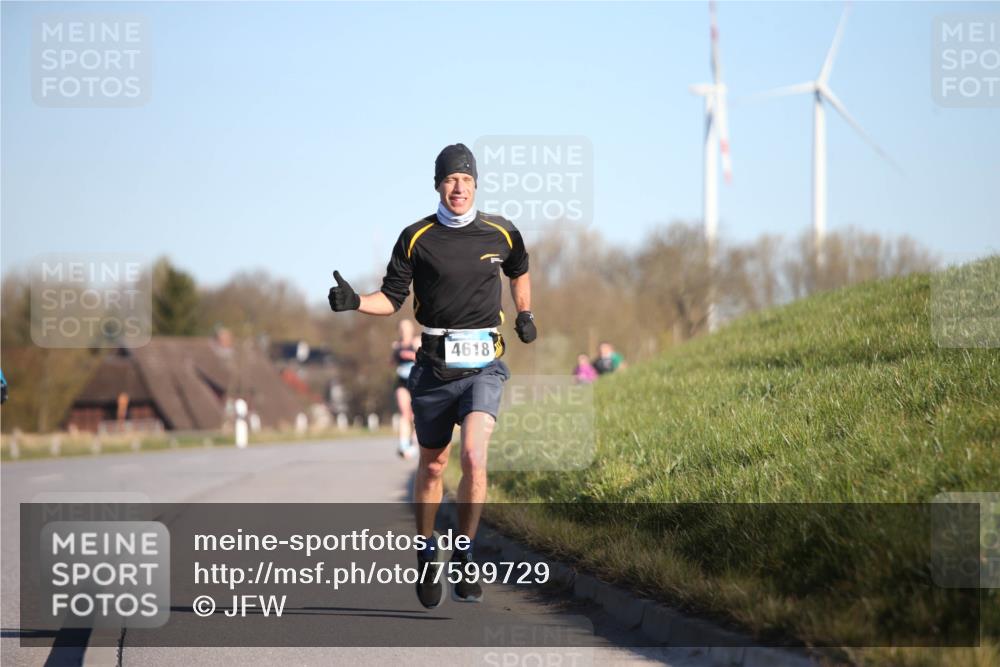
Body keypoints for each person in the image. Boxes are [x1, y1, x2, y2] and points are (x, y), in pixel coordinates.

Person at [328, 143, 536, 607]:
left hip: (484, 364)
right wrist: (356, 302)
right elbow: (391, 297)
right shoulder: (415, 237)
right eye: (449, 180)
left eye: (465, 179)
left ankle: (463, 551)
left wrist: (524, 313)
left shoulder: (502, 233)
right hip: (434, 369)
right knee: (435, 465)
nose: (458, 187)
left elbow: (520, 271)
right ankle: (426, 550)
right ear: (438, 185)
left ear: (476, 183)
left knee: (475, 458)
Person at [392, 319, 420, 459]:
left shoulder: (417, 342)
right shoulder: (396, 345)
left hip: (416, 382)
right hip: (401, 381)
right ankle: (403, 445)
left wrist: (412, 355)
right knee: (404, 412)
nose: (404, 331)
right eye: (401, 328)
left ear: (411, 329)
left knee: (415, 415)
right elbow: (391, 363)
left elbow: (425, 359)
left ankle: (413, 444)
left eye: (406, 328)